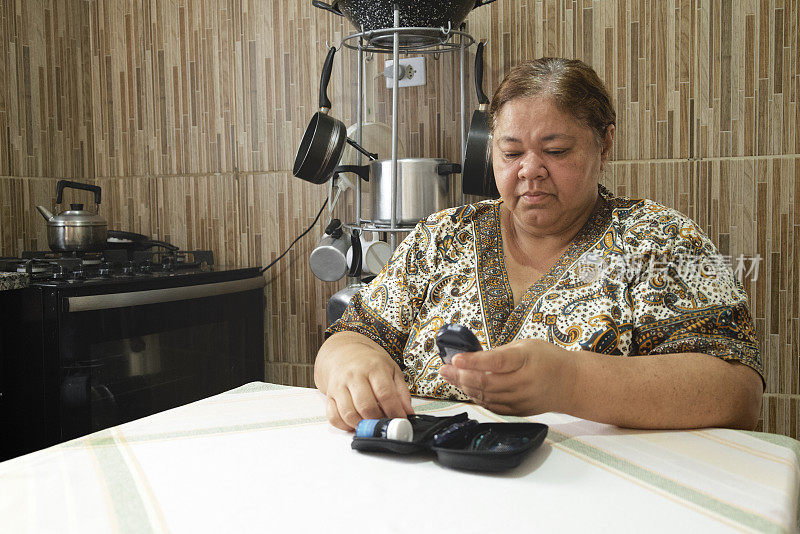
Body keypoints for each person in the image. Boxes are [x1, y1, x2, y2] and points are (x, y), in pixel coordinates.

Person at [315, 57, 764, 432]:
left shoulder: (660, 242)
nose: (530, 170)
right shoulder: (441, 238)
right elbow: (349, 338)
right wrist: (351, 363)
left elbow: (737, 392)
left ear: (604, 143)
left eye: (556, 150)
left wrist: (571, 382)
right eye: (511, 153)